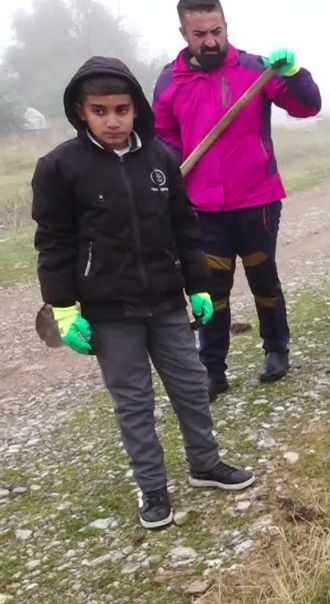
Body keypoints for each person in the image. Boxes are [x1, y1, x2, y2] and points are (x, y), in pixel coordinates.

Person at [32, 57, 255, 530]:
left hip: (167, 301)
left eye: (122, 109)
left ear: (136, 109)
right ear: (80, 111)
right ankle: (153, 489)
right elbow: (53, 244)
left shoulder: (161, 159)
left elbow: (184, 228)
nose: (112, 120)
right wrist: (65, 309)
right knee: (133, 402)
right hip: (109, 312)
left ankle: (205, 463)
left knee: (192, 386)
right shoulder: (58, 168)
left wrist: (199, 287)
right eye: (100, 111)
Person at [154, 0, 322, 400]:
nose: (210, 41)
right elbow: (164, 136)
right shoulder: (169, 81)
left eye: (217, 31)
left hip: (257, 200)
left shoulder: (255, 69)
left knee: (264, 278)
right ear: (183, 35)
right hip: (201, 207)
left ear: (226, 26)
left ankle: (277, 349)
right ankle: (212, 369)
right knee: (211, 292)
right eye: (200, 35)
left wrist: (295, 74)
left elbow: (307, 106)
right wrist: (170, 177)